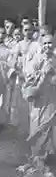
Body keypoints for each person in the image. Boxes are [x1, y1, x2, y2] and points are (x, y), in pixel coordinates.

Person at [23, 34, 56, 162]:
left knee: (49, 124)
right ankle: (36, 152)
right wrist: (42, 75)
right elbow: (29, 78)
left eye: (50, 43)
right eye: (45, 43)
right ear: (41, 45)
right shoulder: (36, 59)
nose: (48, 46)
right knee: (37, 123)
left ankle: (49, 153)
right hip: (38, 98)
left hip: (52, 97)